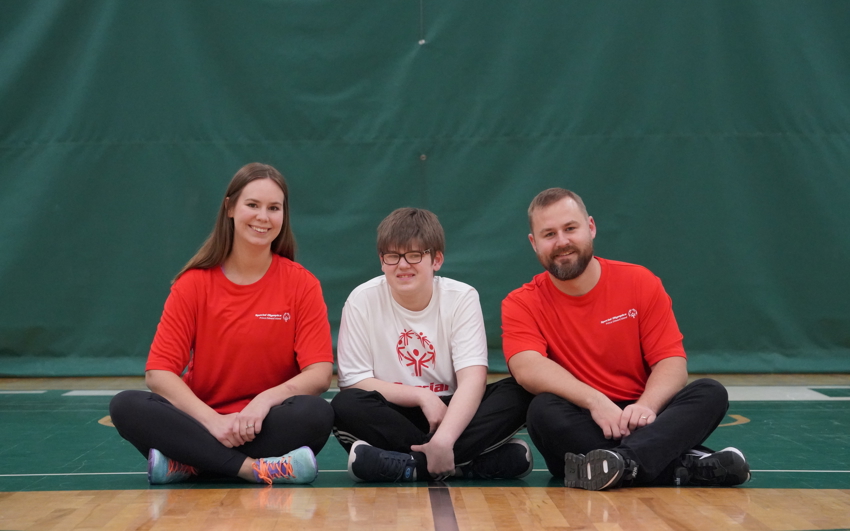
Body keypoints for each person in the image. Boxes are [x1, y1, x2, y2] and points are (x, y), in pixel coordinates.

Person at [502, 188, 750, 491]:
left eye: (570, 228)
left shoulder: (639, 282)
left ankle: (621, 465)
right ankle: (680, 466)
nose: (562, 242)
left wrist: (646, 406)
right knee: (542, 411)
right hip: (583, 422)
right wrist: (596, 401)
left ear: (590, 227)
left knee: (710, 392)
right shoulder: (521, 302)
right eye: (549, 234)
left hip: (645, 416)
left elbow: (671, 362)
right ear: (534, 243)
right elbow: (527, 368)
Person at [109, 163, 335, 485]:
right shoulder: (193, 284)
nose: (263, 217)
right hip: (200, 421)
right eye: (252, 205)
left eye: (274, 208)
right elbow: (158, 373)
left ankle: (191, 462)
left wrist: (263, 402)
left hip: (266, 422)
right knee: (127, 405)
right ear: (229, 207)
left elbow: (319, 374)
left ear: (284, 216)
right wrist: (213, 421)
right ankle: (252, 469)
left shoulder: (302, 284)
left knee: (317, 414)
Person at [332, 208, 534, 483]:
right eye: (392, 256)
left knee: (520, 392)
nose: (402, 265)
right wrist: (421, 396)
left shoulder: (462, 297)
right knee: (346, 404)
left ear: (436, 259)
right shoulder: (361, 300)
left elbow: (472, 381)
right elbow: (354, 381)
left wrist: (446, 437)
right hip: (396, 413)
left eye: (414, 255)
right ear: (381, 261)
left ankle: (412, 465)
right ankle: (466, 464)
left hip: (455, 413)